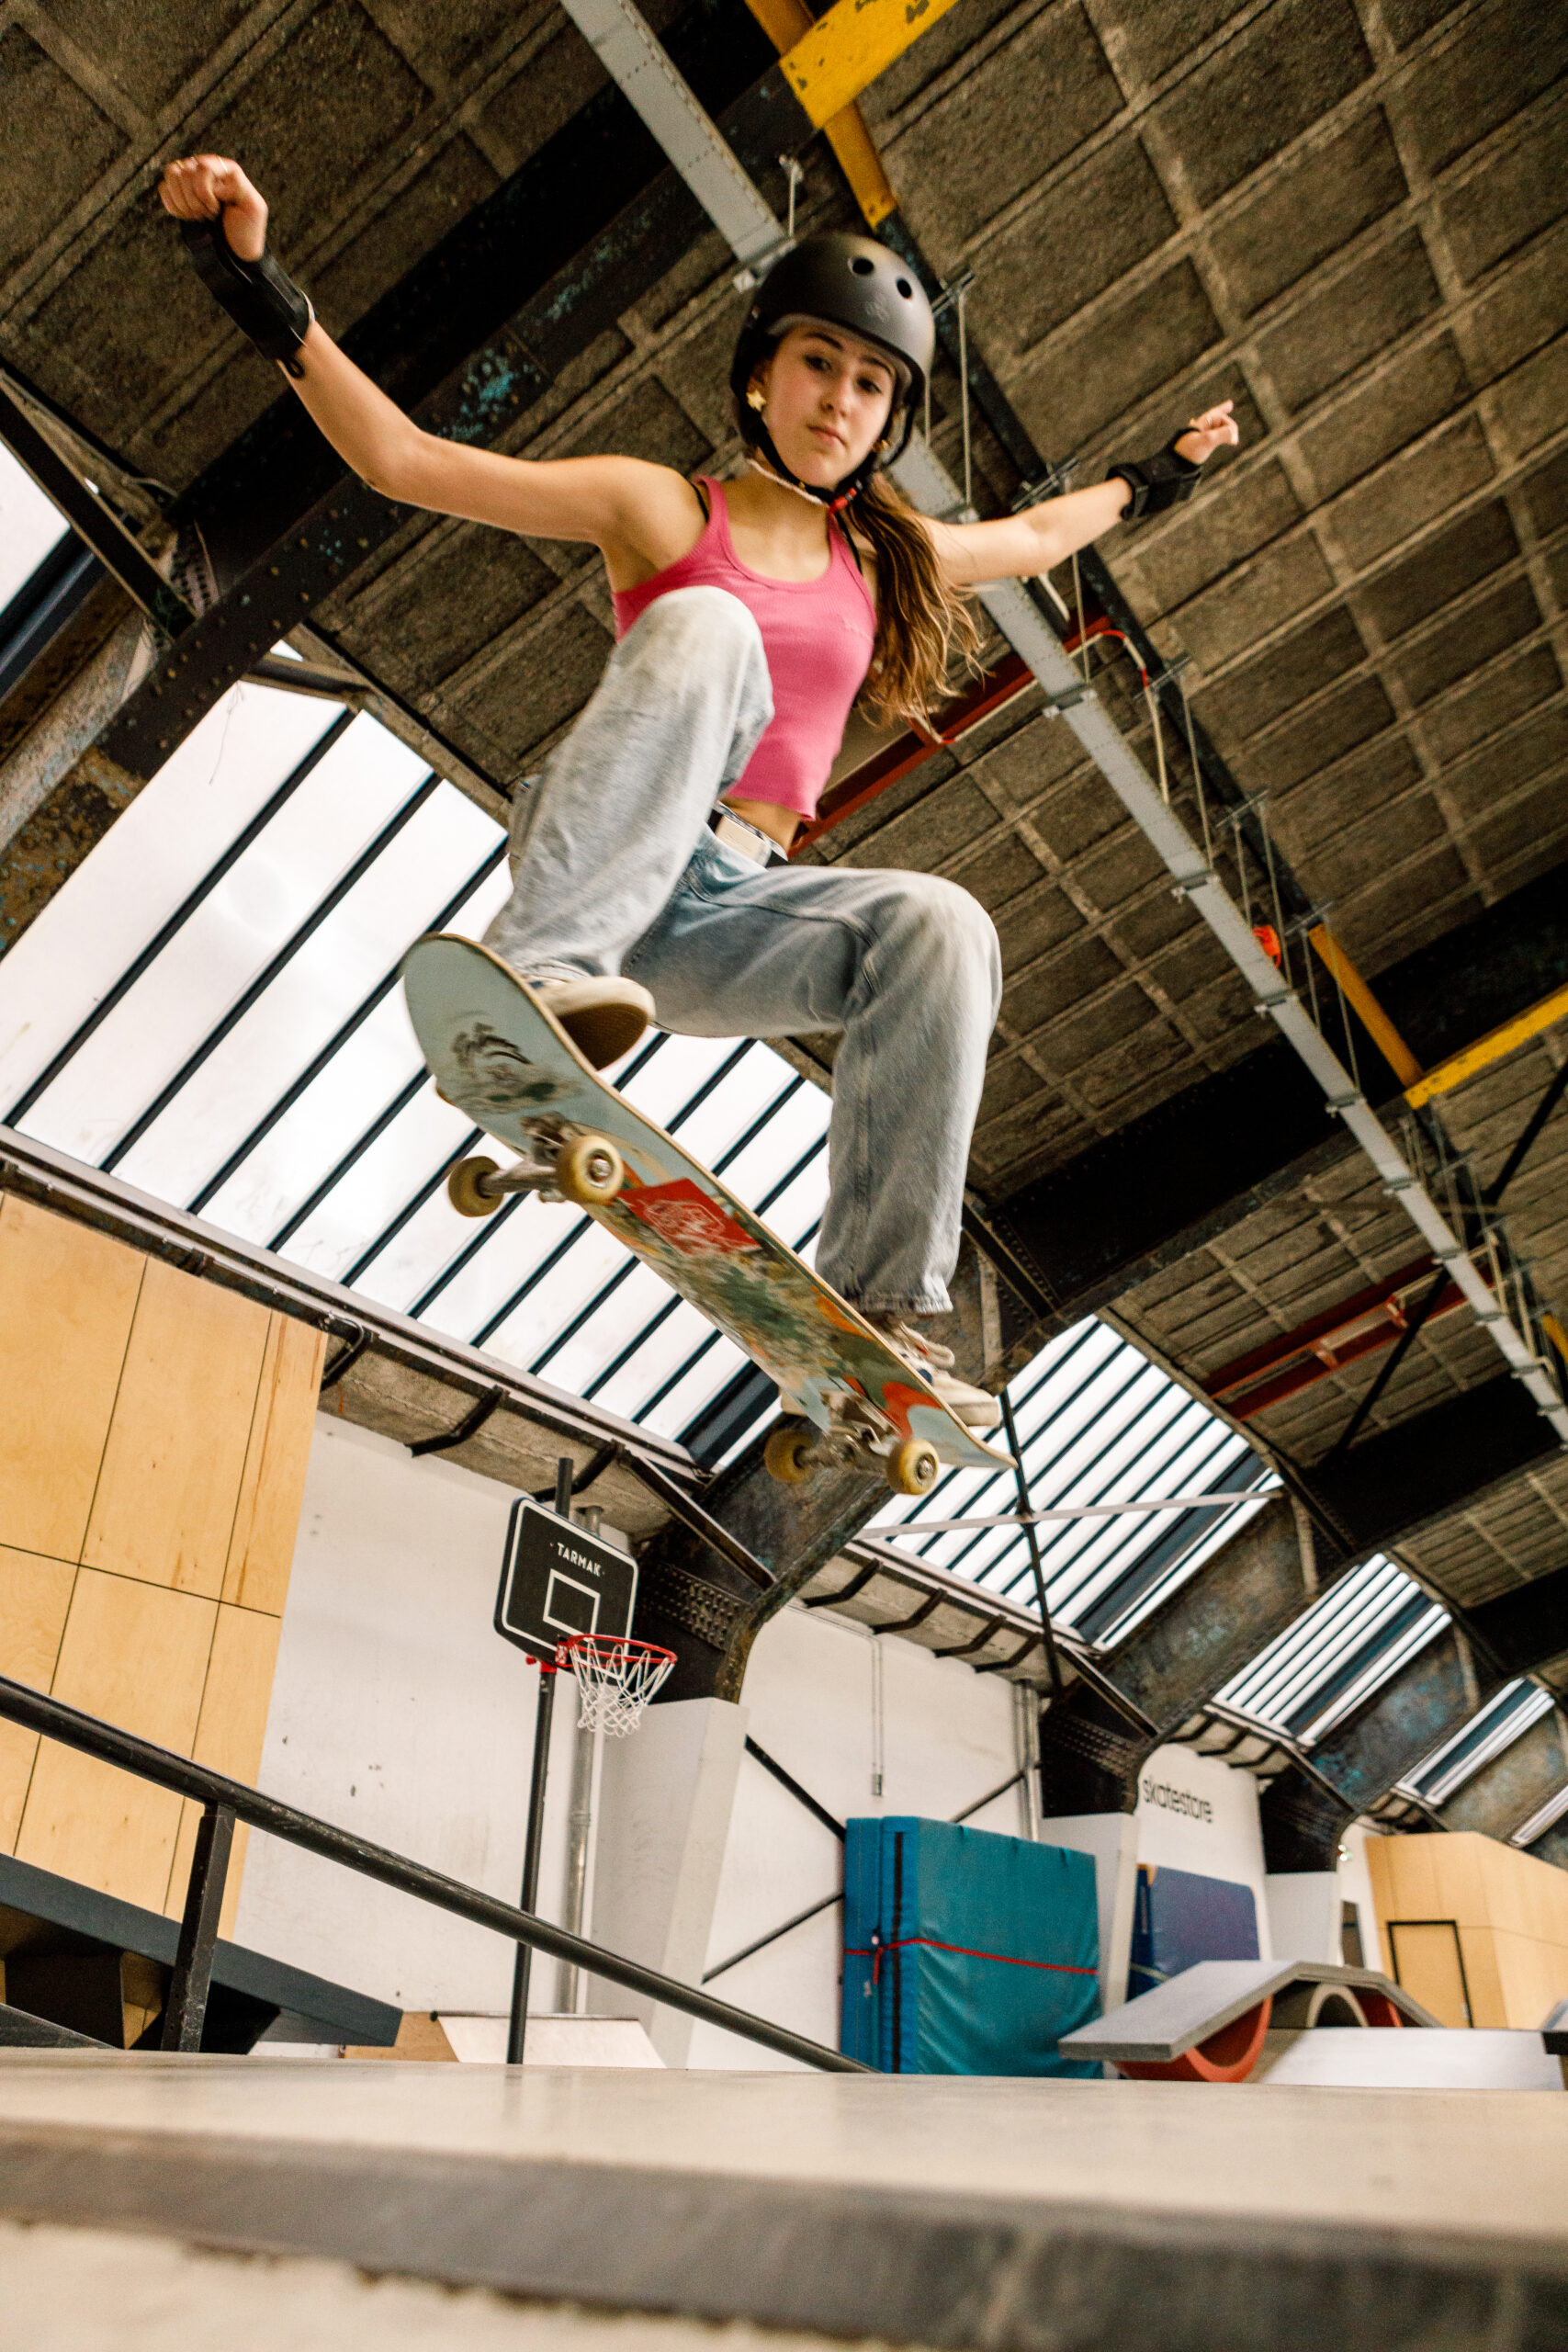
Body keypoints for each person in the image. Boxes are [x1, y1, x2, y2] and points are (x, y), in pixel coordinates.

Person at [159, 154, 1239, 1432]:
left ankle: (881, 1308)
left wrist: (1159, 474)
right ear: (762, 377)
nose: (841, 400)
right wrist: (254, 284)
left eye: (872, 384)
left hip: (729, 917)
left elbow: (1040, 538)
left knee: (948, 924)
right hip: (609, 866)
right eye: (820, 366)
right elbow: (405, 460)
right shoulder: (661, 506)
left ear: (890, 421)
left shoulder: (888, 560)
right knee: (712, 629)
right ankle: (536, 978)